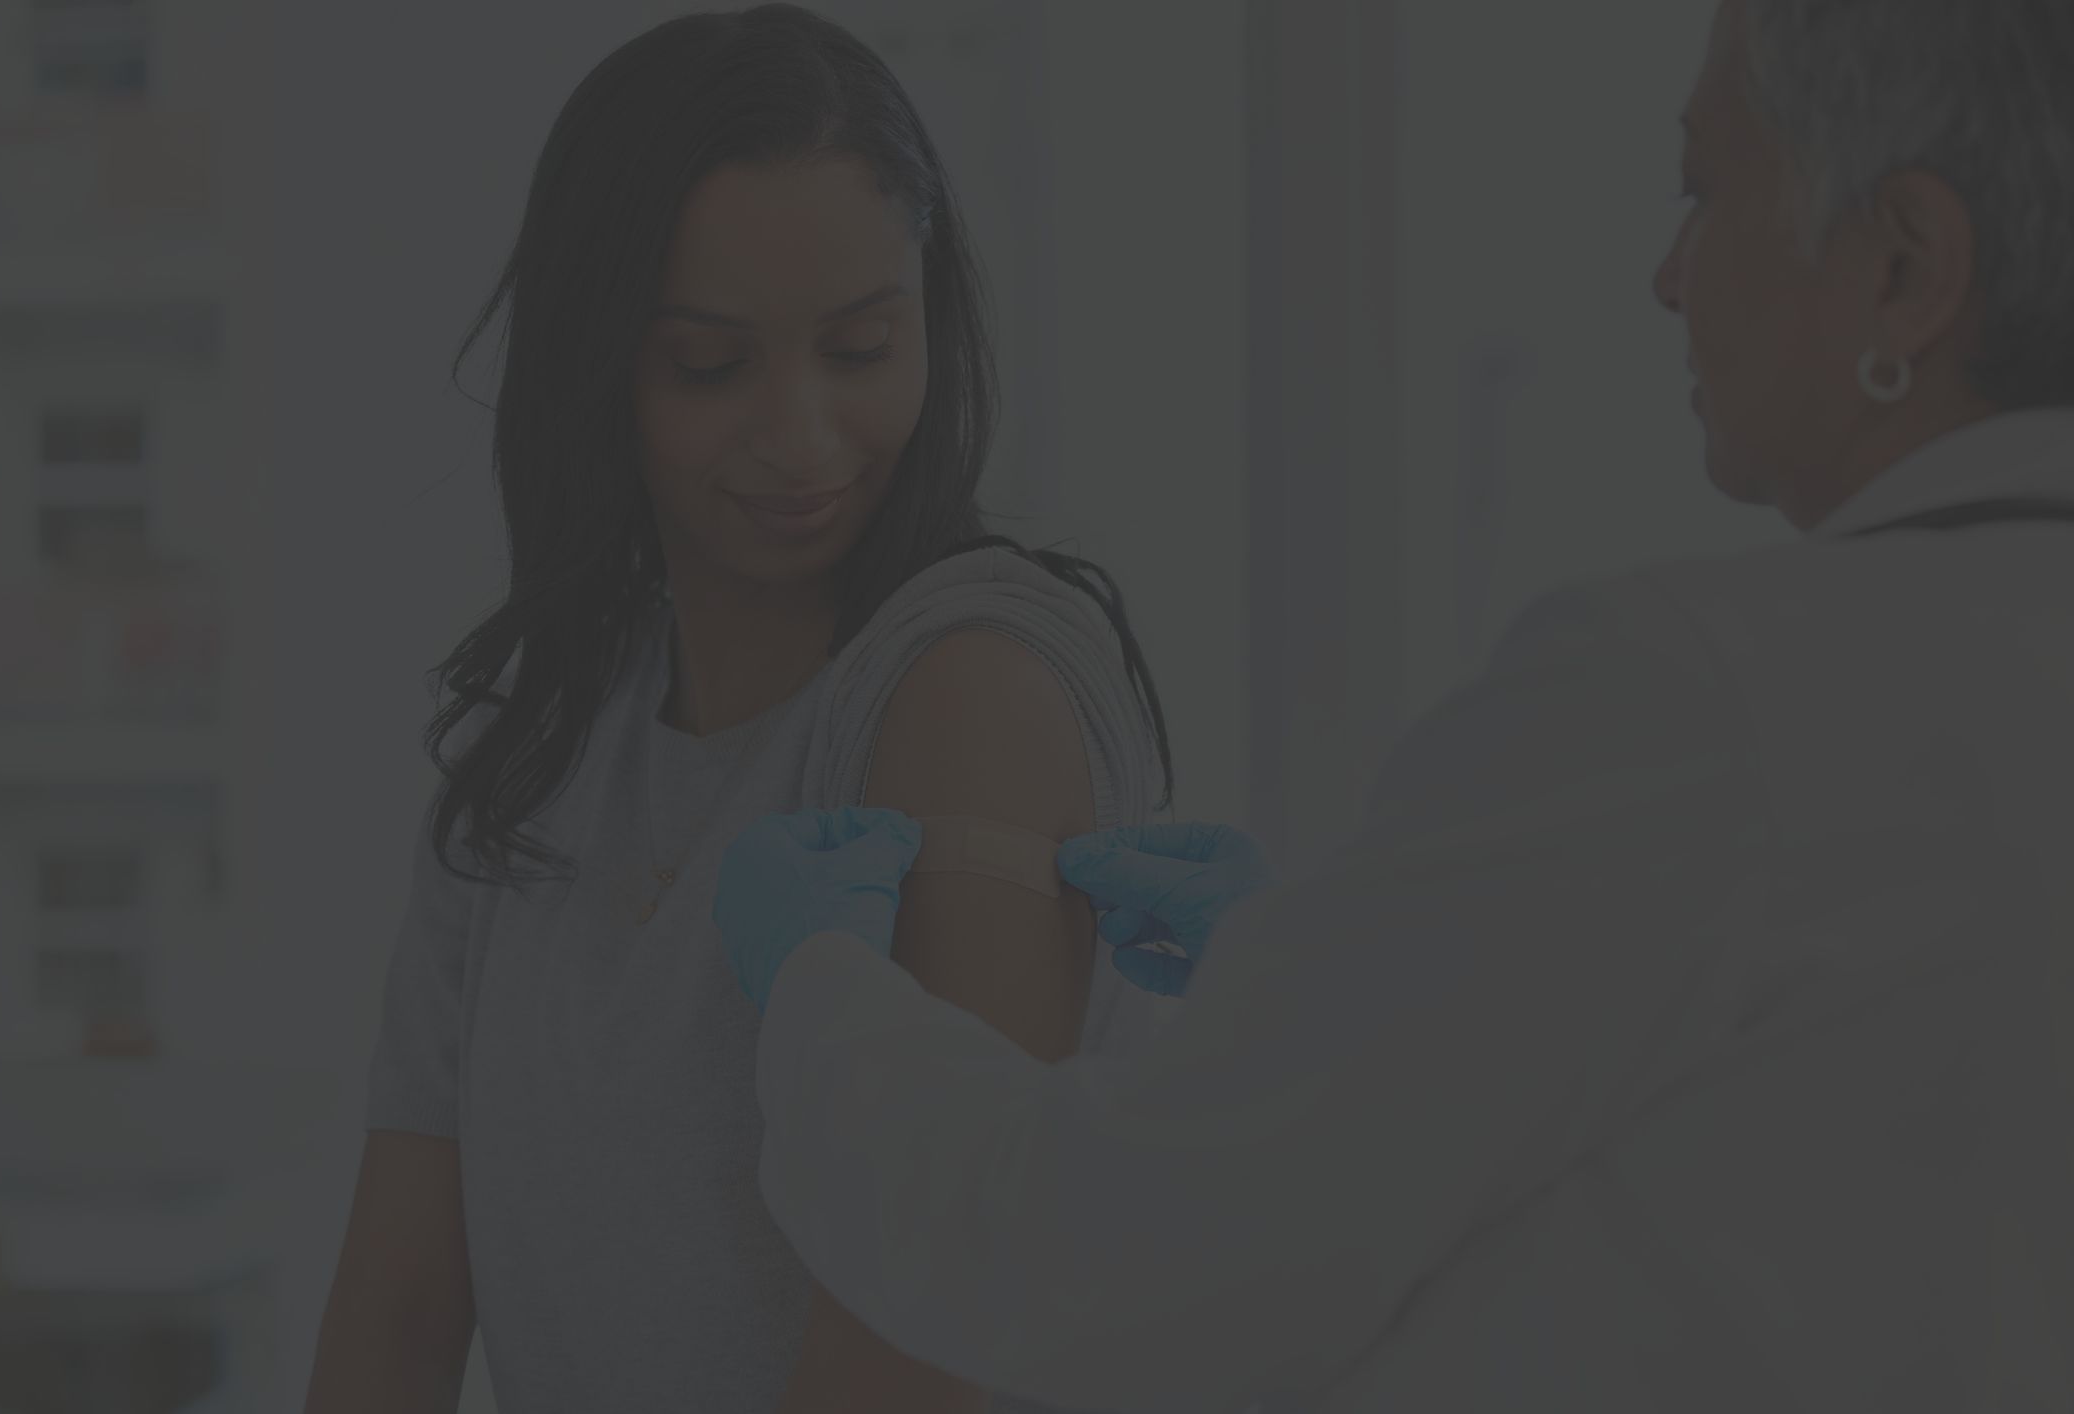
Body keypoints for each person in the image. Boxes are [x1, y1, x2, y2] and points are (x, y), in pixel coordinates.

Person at [712, 2, 2074, 1410]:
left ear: (1906, 268)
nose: (1668, 276)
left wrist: (823, 1002)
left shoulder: (1698, 696)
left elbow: (1099, 1263)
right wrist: (1326, 978)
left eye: (1705, 190)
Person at [301, 8, 1177, 1412]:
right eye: (711, 364)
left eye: (859, 347)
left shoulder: (968, 687)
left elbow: (920, 1337)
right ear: (600, 363)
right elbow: (399, 1309)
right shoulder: (526, 759)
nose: (804, 438)